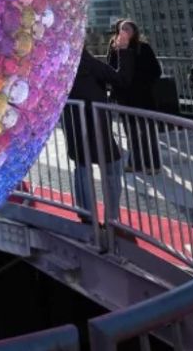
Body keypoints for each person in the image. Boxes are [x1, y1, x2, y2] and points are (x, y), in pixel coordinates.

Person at [64, 47, 124, 222]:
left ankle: (86, 213)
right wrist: (123, 51)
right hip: (97, 126)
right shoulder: (89, 63)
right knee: (113, 167)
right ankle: (111, 217)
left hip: (75, 125)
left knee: (82, 168)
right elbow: (119, 78)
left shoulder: (61, 67)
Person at [106, 19, 162, 174]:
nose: (123, 31)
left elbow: (156, 71)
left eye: (127, 29)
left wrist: (140, 82)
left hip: (143, 96)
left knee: (147, 132)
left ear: (134, 32)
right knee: (130, 132)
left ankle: (153, 164)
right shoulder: (114, 49)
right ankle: (135, 162)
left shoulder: (143, 48)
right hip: (126, 97)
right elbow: (111, 71)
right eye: (121, 29)